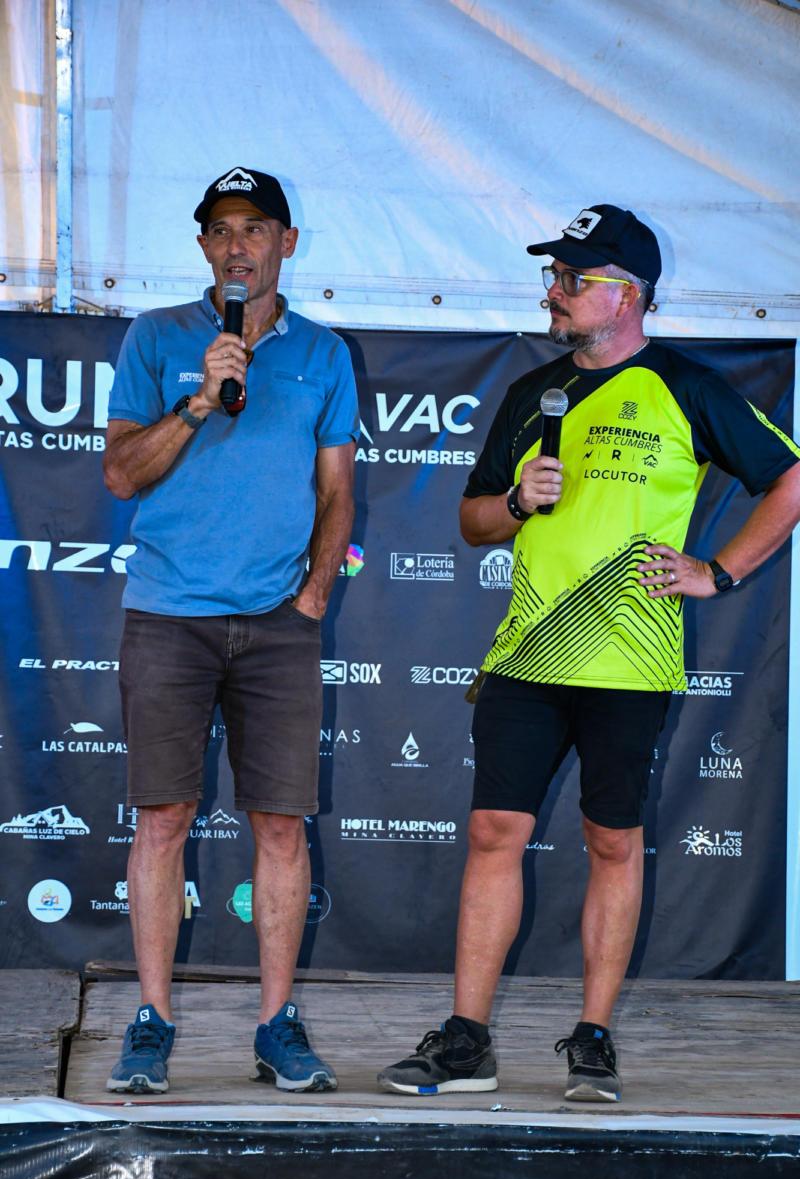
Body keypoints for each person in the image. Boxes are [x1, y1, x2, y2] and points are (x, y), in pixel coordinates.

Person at [379, 204, 800, 1103]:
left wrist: (718, 573)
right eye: (554, 276)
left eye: (575, 278)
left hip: (629, 662)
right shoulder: (532, 393)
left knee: (613, 840)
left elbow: (790, 478)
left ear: (629, 294)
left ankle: (594, 1038)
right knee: (493, 833)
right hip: (526, 655)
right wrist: (517, 503)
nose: (555, 292)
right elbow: (472, 520)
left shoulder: (686, 386)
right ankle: (467, 1040)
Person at [103, 166, 358, 1095]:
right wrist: (198, 400)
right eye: (221, 229)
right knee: (163, 818)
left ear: (286, 243)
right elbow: (121, 475)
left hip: (277, 626)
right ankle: (152, 1019)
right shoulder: (156, 337)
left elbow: (337, 490)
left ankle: (276, 1023)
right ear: (204, 247)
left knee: (281, 826)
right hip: (168, 615)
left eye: (255, 228)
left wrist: (314, 596)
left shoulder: (324, 353)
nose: (237, 245)